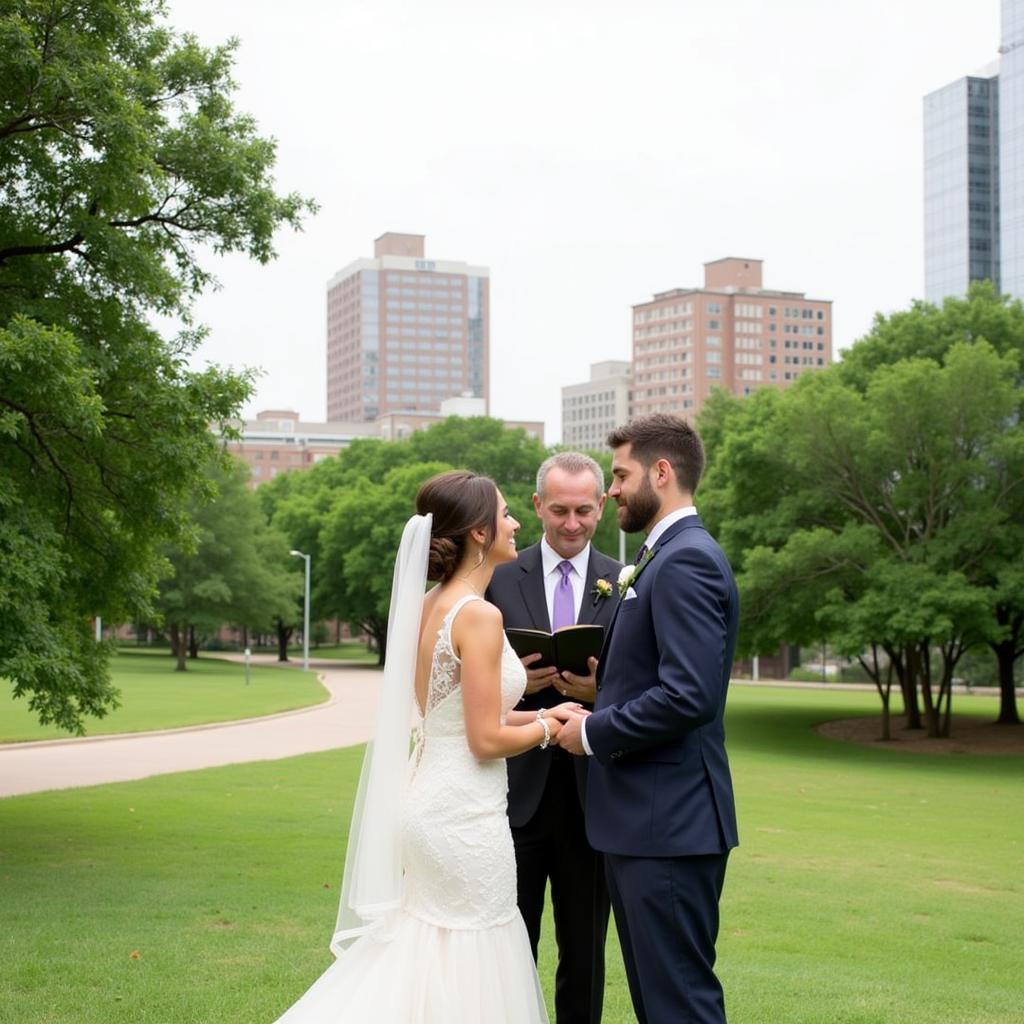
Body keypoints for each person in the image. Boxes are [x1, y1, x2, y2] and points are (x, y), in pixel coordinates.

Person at [273, 470, 583, 1024]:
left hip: (429, 798)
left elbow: (454, 715)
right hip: (464, 813)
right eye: (507, 513)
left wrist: (541, 710)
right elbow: (484, 739)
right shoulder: (481, 616)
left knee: (431, 949)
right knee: (473, 952)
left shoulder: (427, 605)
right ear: (480, 534)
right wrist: (552, 731)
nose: (516, 523)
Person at [555, 415, 740, 1024]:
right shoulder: (661, 555)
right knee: (658, 1004)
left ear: (661, 473)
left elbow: (689, 696)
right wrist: (602, 691)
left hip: (668, 826)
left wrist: (590, 731)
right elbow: (660, 678)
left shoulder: (687, 561)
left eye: (620, 475)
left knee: (678, 1004)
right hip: (644, 823)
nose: (610, 490)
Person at [486, 452, 619, 1024]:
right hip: (513, 795)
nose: (571, 523)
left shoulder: (627, 581)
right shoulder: (495, 576)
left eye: (584, 510)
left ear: (602, 507)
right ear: (537, 505)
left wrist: (598, 693)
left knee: (585, 954)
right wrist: (514, 683)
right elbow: (462, 677)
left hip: (595, 798)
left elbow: (648, 686)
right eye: (559, 510)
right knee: (508, 950)